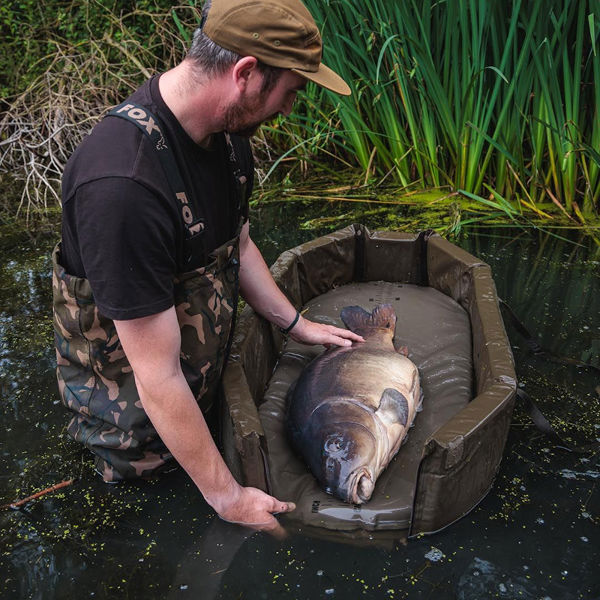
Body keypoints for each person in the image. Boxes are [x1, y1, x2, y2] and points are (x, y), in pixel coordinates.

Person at [52, 0, 362, 530]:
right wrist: (229, 499)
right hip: (138, 445)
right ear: (246, 74)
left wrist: (295, 323)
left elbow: (237, 246)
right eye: (291, 90)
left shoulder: (228, 140)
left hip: (203, 400)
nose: (289, 109)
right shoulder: (123, 187)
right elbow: (157, 377)